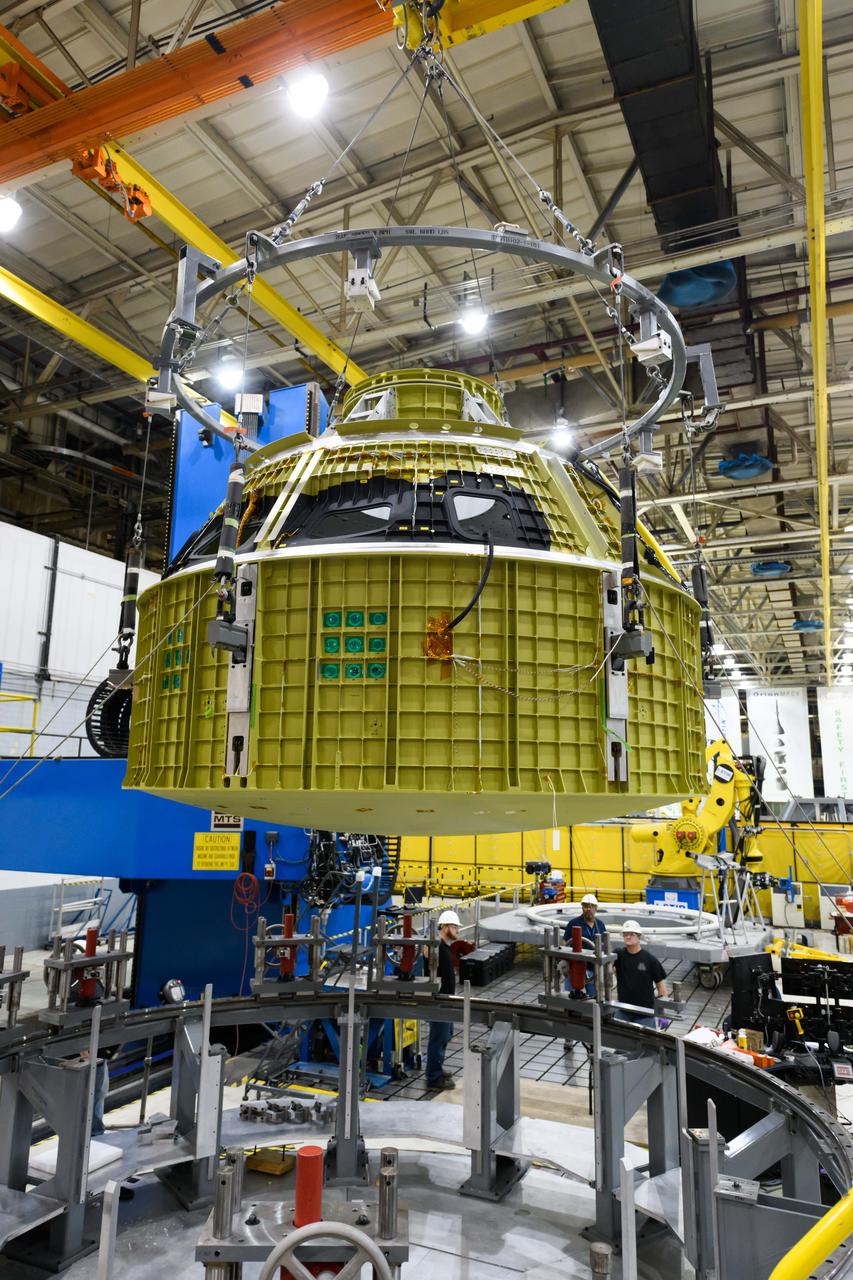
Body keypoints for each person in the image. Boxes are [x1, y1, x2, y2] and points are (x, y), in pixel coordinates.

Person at [425, 909, 460, 1091]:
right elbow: (425, 952)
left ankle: (437, 1068)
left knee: (445, 1036)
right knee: (438, 1038)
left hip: (447, 1000)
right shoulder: (435, 945)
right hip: (438, 1001)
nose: (457, 930)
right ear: (445, 926)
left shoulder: (445, 947)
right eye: (454, 926)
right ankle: (434, 1077)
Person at [614, 920, 668, 1028]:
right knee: (619, 1042)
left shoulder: (649, 959)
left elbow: (661, 986)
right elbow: (606, 968)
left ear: (639, 937)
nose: (628, 937)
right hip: (624, 1010)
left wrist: (663, 1014)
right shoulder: (618, 955)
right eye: (625, 934)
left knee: (647, 1044)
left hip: (645, 1014)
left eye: (632, 934)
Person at [562, 893, 607, 999]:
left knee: (594, 998)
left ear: (596, 908)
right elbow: (564, 943)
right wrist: (565, 963)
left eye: (591, 906)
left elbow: (604, 944)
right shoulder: (574, 923)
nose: (589, 909)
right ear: (582, 908)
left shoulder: (600, 924)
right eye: (586, 906)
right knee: (570, 997)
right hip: (575, 968)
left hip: (593, 969)